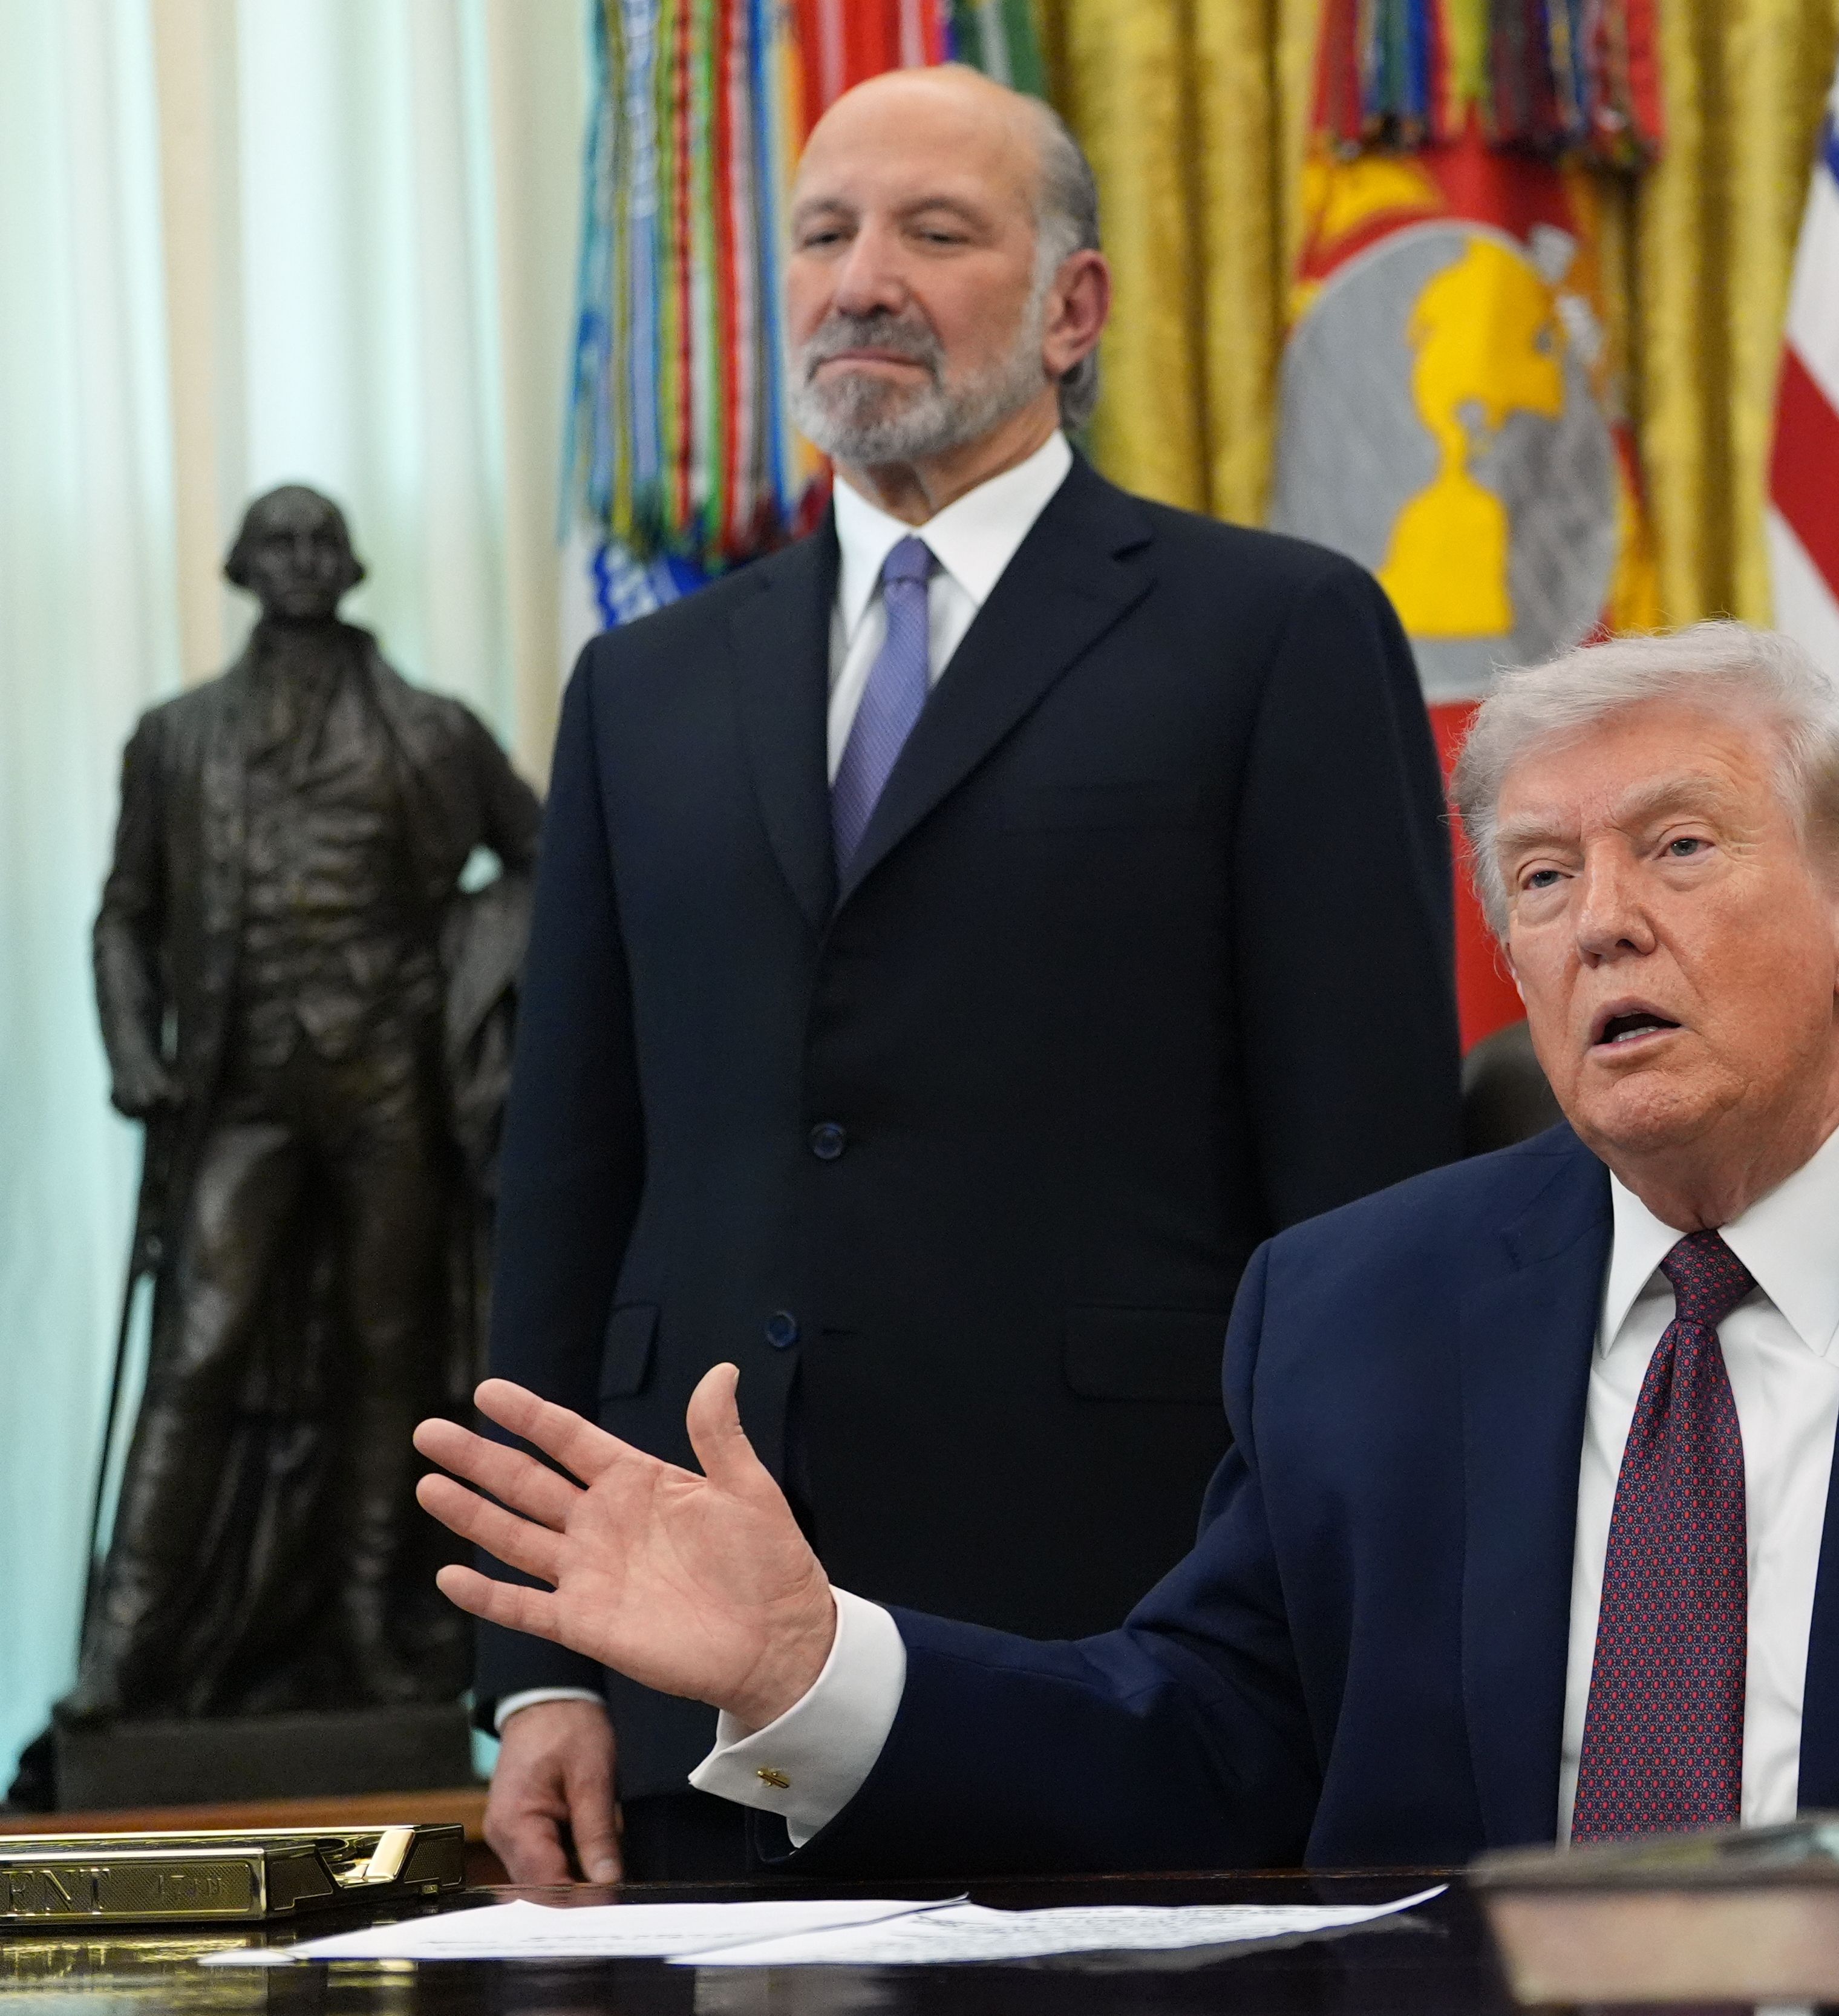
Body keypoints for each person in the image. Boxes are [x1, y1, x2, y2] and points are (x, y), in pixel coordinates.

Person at [422, 624, 1839, 1874]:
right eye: (1541, 880)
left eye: (1677, 848)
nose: (1601, 922)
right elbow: (1194, 1746)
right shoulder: (1352, 1309)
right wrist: (814, 1659)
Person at [479, 66, 1460, 1882]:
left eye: (936, 233)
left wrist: (1353, 1622)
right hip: (685, 1671)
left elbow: (1369, 1194)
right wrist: (537, 1665)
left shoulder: (1277, 634)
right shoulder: (643, 687)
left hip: (1122, 1643)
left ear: (1073, 309)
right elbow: (568, 1183)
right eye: (823, 234)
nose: (863, 279)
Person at [72, 486, 538, 1726]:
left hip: (389, 1082)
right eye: (277, 540)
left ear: (350, 562)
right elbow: (124, 915)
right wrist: (134, 1049)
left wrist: (469, 976)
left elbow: (546, 856)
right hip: (243, 1091)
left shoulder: (431, 730)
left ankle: (371, 1624)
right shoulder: (176, 737)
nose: (300, 558)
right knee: (199, 1347)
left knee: (394, 1354)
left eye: (321, 537)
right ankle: (127, 1648)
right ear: (241, 565)